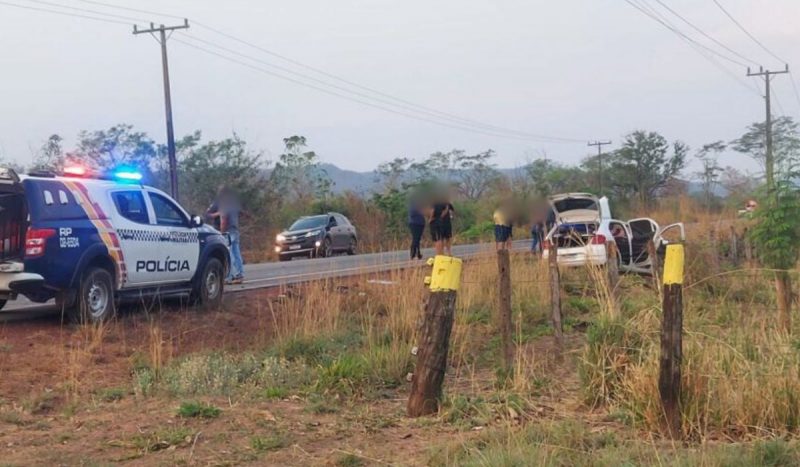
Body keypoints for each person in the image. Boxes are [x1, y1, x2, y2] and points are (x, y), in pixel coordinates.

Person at [206, 187, 247, 285]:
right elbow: (242, 213)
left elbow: (223, 218)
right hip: (235, 229)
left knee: (228, 253)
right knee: (236, 252)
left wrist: (222, 231)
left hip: (227, 231)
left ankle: (231, 276)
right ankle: (240, 274)